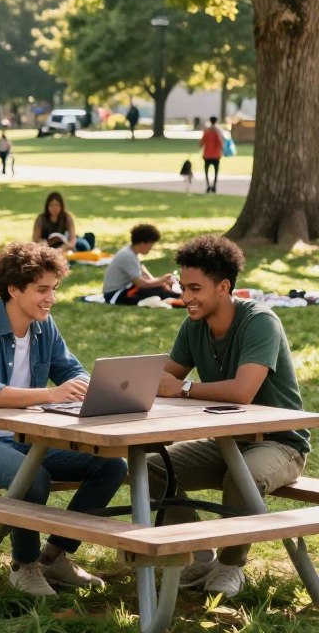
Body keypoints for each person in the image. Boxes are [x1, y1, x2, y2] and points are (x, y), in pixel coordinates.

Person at [0, 242, 127, 597]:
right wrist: (51, 395)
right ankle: (24, 566)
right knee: (33, 478)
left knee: (112, 466)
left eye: (54, 289)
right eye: (42, 289)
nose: (50, 298)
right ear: (13, 289)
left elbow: (71, 370)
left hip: (25, 441)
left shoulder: (44, 326)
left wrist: (92, 387)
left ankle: (54, 556)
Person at [147, 235, 310, 598]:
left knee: (243, 478)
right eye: (181, 286)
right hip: (226, 440)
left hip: (279, 443)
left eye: (194, 288)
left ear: (223, 287)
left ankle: (230, 565)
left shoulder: (259, 322)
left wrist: (185, 388)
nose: (184, 296)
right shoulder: (194, 324)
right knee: (150, 467)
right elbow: (167, 376)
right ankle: (198, 555)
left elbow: (242, 391)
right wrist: (133, 380)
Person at [102, 224, 180, 305]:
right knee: (158, 289)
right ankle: (178, 298)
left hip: (123, 290)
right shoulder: (128, 256)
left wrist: (162, 281)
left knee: (159, 287)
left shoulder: (130, 252)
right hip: (115, 295)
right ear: (143, 244)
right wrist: (161, 281)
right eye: (151, 244)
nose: (151, 248)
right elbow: (141, 283)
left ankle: (176, 296)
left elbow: (145, 276)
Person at [200, 116, 224, 193]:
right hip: (216, 155)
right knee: (216, 171)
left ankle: (208, 186)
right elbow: (220, 142)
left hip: (207, 154)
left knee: (206, 171)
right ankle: (214, 186)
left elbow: (202, 142)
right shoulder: (218, 131)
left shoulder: (206, 131)